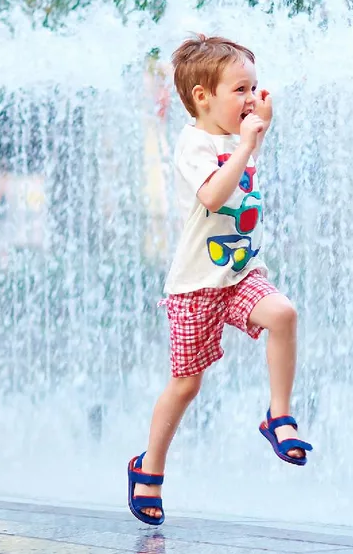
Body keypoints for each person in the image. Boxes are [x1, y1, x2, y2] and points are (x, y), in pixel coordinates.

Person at [128, 35, 312, 526]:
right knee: (186, 386)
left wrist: (258, 131)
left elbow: (245, 155)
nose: (251, 99)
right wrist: (250, 141)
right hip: (195, 287)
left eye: (254, 87)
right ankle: (149, 468)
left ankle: (278, 414)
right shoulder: (194, 144)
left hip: (240, 274)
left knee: (284, 313)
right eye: (240, 90)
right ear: (203, 97)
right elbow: (213, 196)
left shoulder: (238, 136)